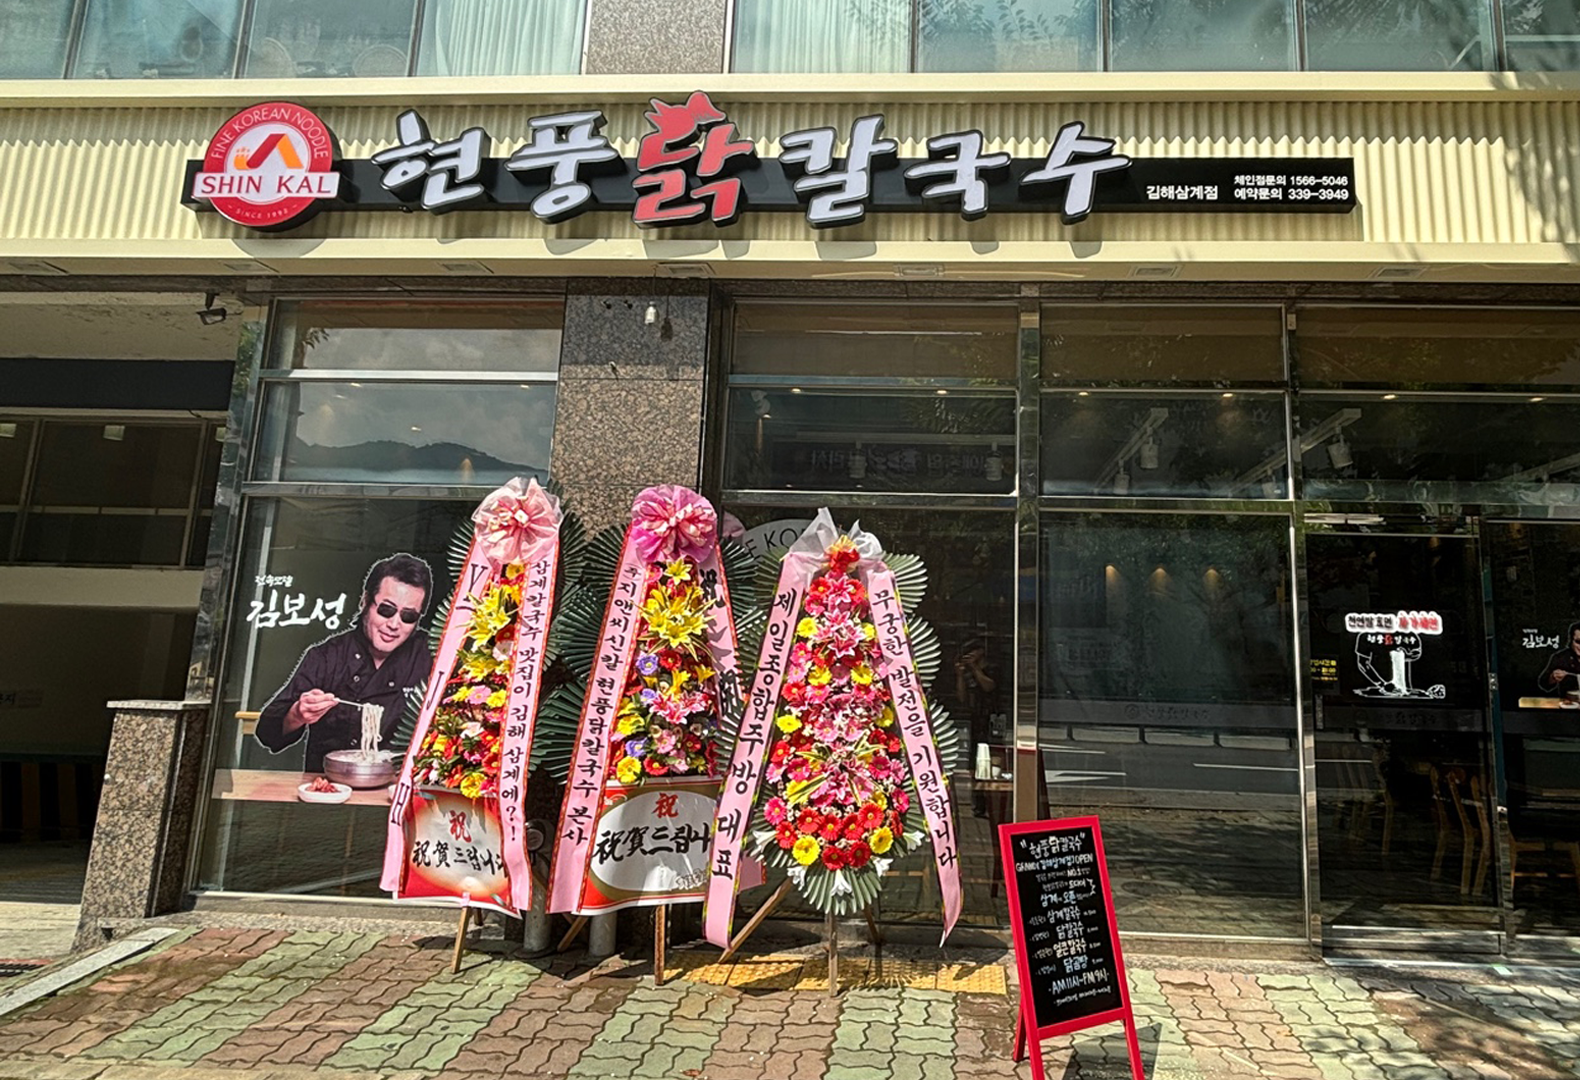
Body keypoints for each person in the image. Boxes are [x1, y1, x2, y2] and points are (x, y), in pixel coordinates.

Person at [255, 553, 434, 772]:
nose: (394, 624)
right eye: (386, 610)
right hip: (330, 785)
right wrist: (297, 714)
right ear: (365, 601)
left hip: (400, 786)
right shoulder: (327, 657)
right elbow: (267, 733)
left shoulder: (432, 657)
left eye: (408, 616)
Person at [1537, 621, 1580, 697]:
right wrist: (1552, 678)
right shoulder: (1561, 657)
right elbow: (1543, 683)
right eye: (1578, 642)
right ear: (1571, 640)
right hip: (1567, 701)